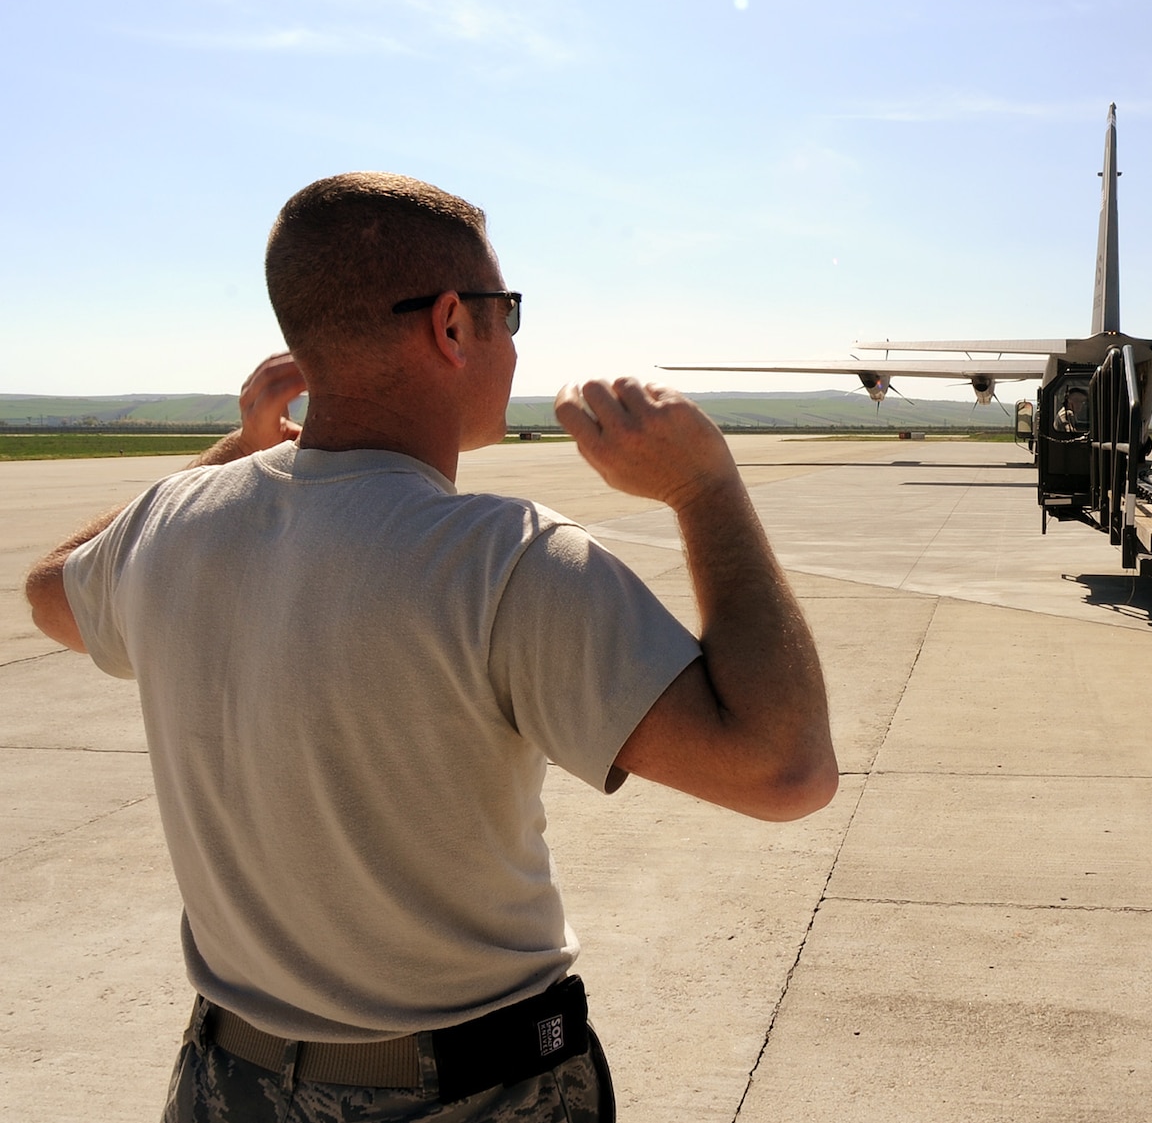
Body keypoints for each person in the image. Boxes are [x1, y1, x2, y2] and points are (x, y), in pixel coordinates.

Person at [23, 173, 838, 1123]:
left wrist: (222, 460)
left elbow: (49, 590)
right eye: (507, 312)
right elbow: (786, 770)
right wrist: (706, 487)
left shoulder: (171, 522)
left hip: (224, 1085)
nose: (516, 341)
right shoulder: (509, 560)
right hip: (469, 1091)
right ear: (453, 325)